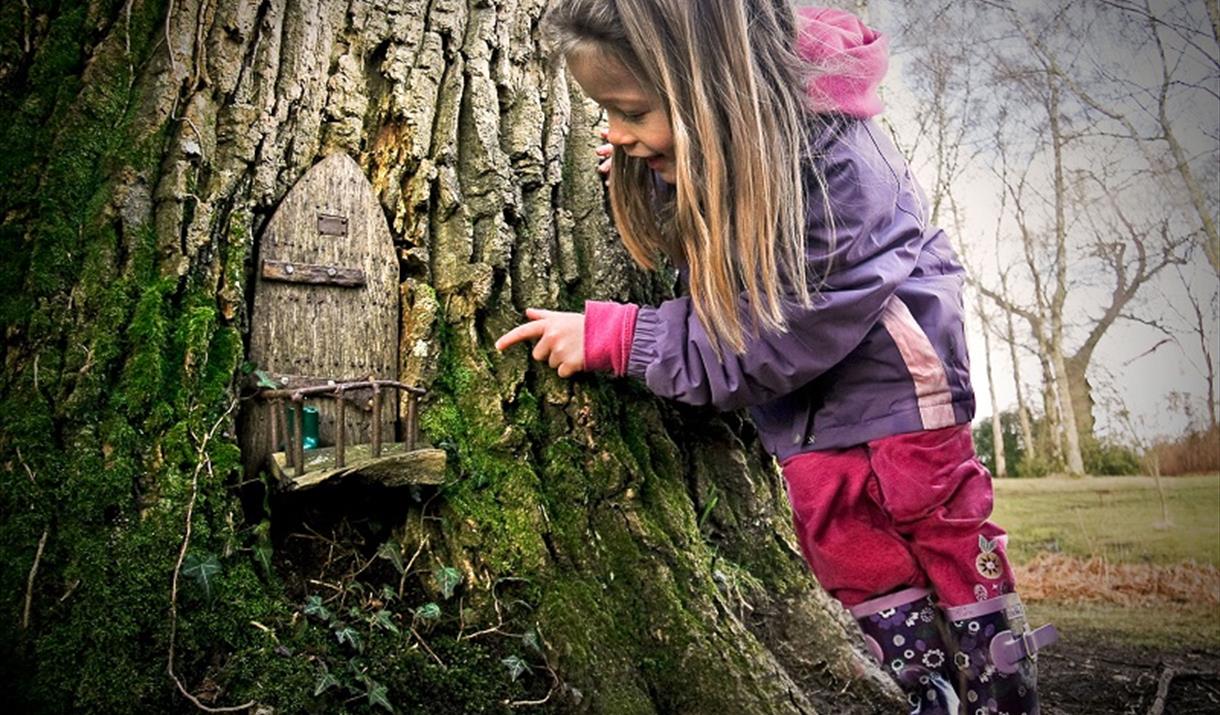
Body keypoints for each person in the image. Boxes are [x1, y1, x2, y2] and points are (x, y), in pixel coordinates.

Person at [495, 2, 1057, 712]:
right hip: (807, 411)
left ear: (709, 90)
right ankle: (923, 692)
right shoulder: (726, 143)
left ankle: (1003, 693)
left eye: (630, 110)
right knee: (843, 542)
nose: (615, 132)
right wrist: (661, 169)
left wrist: (618, 337)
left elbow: (759, 339)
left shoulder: (835, 167)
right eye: (607, 113)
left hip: (899, 386)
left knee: (939, 522)